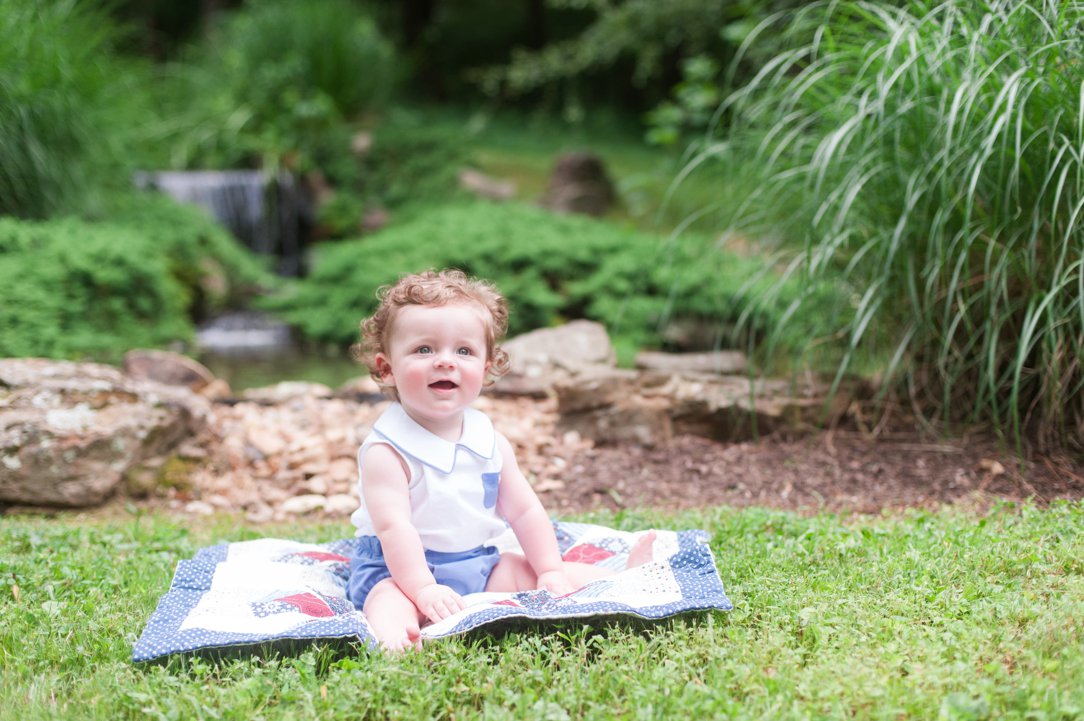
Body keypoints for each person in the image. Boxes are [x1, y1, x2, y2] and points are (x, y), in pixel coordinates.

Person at [346, 269, 654, 650]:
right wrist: (423, 588)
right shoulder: (387, 450)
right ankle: (397, 638)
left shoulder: (489, 441)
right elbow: (396, 529)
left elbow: (523, 511)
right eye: (424, 349)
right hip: (397, 567)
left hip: (477, 562)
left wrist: (549, 569)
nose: (445, 361)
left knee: (526, 570)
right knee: (387, 599)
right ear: (387, 368)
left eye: (464, 351)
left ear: (487, 367)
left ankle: (623, 581)